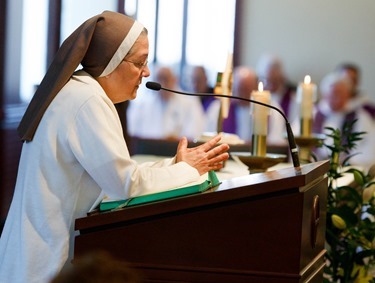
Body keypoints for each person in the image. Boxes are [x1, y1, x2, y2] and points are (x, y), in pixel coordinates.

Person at [0, 11, 229, 283]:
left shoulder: (81, 90)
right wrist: (187, 171)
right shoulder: (88, 100)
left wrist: (176, 166)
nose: (147, 72)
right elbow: (124, 183)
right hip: (45, 259)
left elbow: (114, 173)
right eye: (140, 62)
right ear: (112, 61)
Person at [313, 72, 375, 169]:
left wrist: (348, 161)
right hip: (314, 169)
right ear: (325, 94)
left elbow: (370, 146)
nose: (336, 98)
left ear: (348, 95)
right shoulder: (313, 114)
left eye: (340, 93)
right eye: (333, 93)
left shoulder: (360, 117)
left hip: (347, 169)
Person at [127, 65, 206, 140]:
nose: (163, 83)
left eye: (166, 79)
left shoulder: (190, 103)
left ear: (175, 79)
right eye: (160, 79)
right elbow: (132, 132)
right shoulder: (143, 105)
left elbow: (195, 133)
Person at [256, 54, 298, 123]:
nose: (271, 85)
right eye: (268, 80)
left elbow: (295, 125)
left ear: (282, 78)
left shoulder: (293, 99)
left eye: (274, 80)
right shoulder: (258, 98)